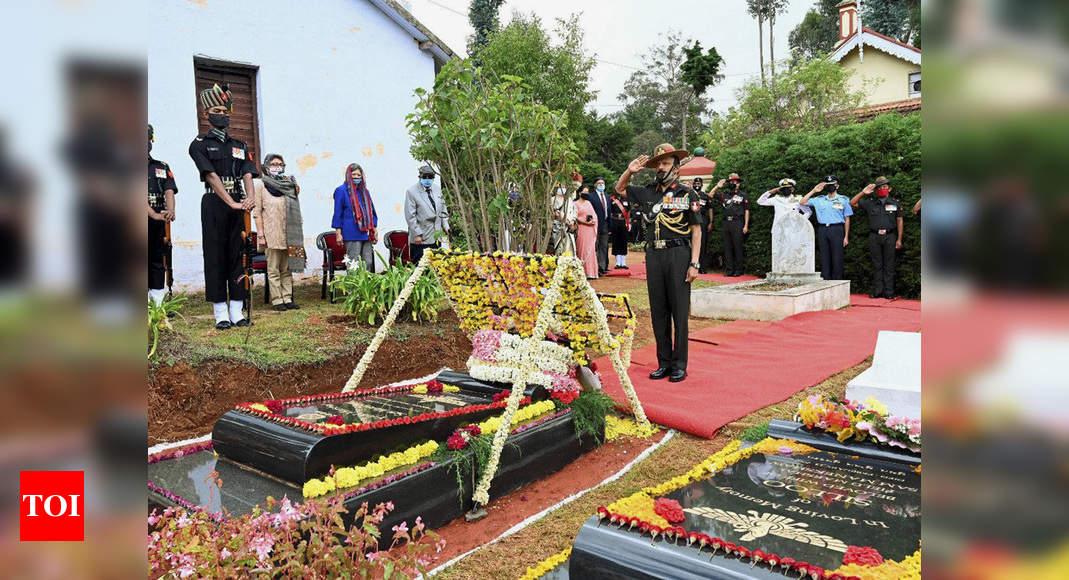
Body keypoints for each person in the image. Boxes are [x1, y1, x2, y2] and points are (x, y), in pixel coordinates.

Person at [615, 143, 701, 383]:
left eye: (665, 163)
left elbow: (696, 230)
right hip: (654, 255)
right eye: (658, 164)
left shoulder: (687, 193)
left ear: (675, 165)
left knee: (679, 311)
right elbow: (620, 188)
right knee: (659, 312)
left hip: (679, 254)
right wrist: (630, 171)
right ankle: (663, 363)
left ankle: (679, 365)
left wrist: (694, 263)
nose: (661, 167)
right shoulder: (647, 191)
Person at [188, 83, 258, 330]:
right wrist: (231, 202)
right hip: (214, 204)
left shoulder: (240, 145)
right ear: (207, 114)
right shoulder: (199, 144)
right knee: (216, 256)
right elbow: (210, 176)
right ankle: (220, 313)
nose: (223, 115)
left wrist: (249, 199)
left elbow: (248, 174)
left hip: (239, 204)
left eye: (226, 111)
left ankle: (237, 311)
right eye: (217, 110)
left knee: (238, 256)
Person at [253, 153, 305, 311]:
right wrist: (261, 234)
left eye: (280, 165)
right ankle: (277, 300)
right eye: (274, 164)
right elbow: (257, 212)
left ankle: (288, 298)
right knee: (274, 268)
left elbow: (296, 207)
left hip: (290, 234)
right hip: (271, 233)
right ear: (267, 167)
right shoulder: (261, 185)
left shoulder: (289, 185)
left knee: (286, 268)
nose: (277, 167)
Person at [851, 176, 904, 298]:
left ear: (889, 189)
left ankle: (889, 292)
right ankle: (878, 291)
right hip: (874, 237)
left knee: (889, 265)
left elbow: (900, 221)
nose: (882, 189)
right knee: (877, 264)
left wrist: (899, 239)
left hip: (890, 236)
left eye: (884, 187)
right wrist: (863, 192)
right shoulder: (870, 203)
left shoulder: (895, 203)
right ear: (876, 190)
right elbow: (852, 202)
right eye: (879, 188)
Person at [799, 175, 852, 280]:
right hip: (823, 229)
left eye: (832, 185)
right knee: (824, 256)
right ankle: (826, 281)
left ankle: (837, 282)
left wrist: (846, 236)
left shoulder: (843, 200)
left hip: (837, 229)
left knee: (837, 256)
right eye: (828, 185)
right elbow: (802, 202)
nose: (830, 187)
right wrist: (814, 190)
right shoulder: (819, 200)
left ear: (837, 186)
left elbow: (847, 219)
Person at [148, 124, 177, 307]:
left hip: (157, 222)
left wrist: (171, 210)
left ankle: (158, 303)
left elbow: (169, 190)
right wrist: (152, 213)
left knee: (158, 259)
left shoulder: (161, 166)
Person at [333, 163, 378, 271]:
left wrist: (374, 229)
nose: (357, 177)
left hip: (366, 233)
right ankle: (352, 288)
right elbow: (337, 213)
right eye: (354, 174)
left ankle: (365, 287)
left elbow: (372, 211)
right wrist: (338, 233)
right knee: (354, 264)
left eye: (359, 175)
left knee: (368, 262)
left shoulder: (365, 191)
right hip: (351, 232)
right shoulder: (341, 191)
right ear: (348, 175)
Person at [404, 165, 450, 263]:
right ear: (420, 177)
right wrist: (417, 234)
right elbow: (410, 216)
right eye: (425, 177)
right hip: (421, 237)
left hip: (436, 235)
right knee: (421, 266)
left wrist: (446, 226)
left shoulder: (438, 190)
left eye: (430, 177)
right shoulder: (411, 192)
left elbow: (443, 210)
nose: (427, 179)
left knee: (436, 264)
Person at [710, 172, 750, 276]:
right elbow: (711, 195)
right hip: (726, 222)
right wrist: (717, 186)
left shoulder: (743, 195)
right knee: (727, 248)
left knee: (737, 247)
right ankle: (729, 270)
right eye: (731, 181)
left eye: (735, 182)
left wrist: (746, 225)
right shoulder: (725, 195)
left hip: (738, 222)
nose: (733, 183)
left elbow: (746, 211)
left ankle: (738, 270)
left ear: (739, 183)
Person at [573, 185, 599, 279]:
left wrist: (592, 222)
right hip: (581, 228)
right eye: (584, 192)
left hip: (590, 230)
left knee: (591, 249)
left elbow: (594, 215)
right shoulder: (575, 204)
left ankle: (591, 272)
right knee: (581, 248)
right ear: (579, 193)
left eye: (588, 192)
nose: (586, 194)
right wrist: (584, 222)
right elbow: (574, 216)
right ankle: (582, 272)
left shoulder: (588, 203)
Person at [589, 177, 612, 276]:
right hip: (595, 225)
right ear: (595, 185)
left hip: (606, 224)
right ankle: (595, 267)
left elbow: (609, 211)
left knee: (604, 246)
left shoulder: (607, 196)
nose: (601, 185)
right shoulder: (591, 196)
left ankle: (602, 267)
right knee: (595, 246)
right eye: (599, 183)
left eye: (603, 183)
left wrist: (610, 226)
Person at [692, 177, 714, 273]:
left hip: (703, 221)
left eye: (699, 184)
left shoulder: (705, 196)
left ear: (701, 185)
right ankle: (692, 265)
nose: (697, 185)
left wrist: (711, 222)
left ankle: (702, 268)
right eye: (695, 184)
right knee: (692, 244)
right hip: (692, 221)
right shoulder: (690, 195)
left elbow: (710, 209)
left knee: (703, 244)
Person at [549, 182, 577, 256]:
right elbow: (556, 213)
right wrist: (567, 222)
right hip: (559, 228)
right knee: (560, 248)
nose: (563, 188)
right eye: (561, 186)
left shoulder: (569, 199)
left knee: (570, 248)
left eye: (564, 186)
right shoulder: (552, 200)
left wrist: (573, 221)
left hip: (570, 227)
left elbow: (574, 211)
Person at [609, 185, 630, 269]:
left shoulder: (626, 199)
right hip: (615, 221)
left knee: (624, 241)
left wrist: (629, 222)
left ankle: (623, 262)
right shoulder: (612, 199)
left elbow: (629, 211)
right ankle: (617, 262)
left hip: (623, 221)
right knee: (616, 241)